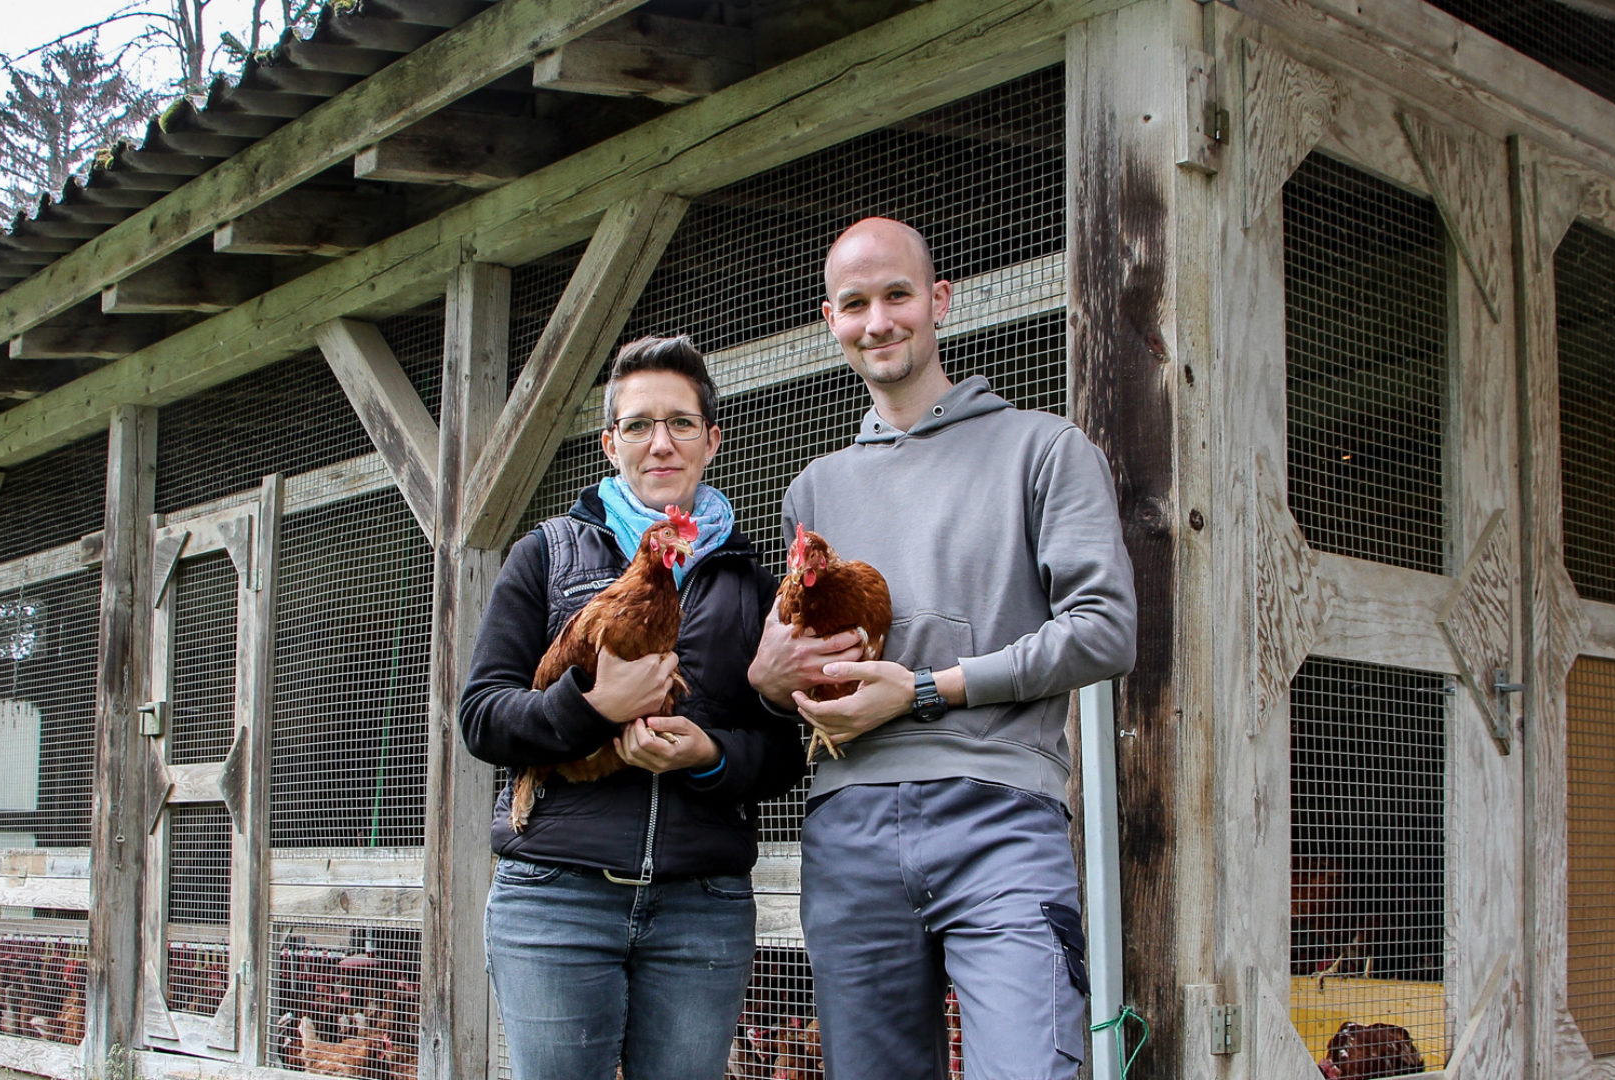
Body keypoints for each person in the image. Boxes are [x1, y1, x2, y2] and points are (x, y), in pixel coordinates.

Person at [748, 218, 1137, 1080]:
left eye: (897, 295)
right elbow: (804, 674)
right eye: (855, 304)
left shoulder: (1043, 450)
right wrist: (769, 683)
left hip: (999, 812)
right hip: (848, 828)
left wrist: (927, 690)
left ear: (940, 301)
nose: (879, 320)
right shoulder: (815, 488)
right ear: (830, 318)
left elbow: (1105, 629)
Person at [461, 334, 804, 1080]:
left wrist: (710, 757)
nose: (661, 443)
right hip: (558, 894)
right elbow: (482, 716)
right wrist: (591, 706)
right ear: (611, 442)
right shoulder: (547, 554)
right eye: (640, 424)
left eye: (681, 422)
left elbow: (785, 748)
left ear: (712, 440)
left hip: (699, 905)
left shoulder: (750, 581)